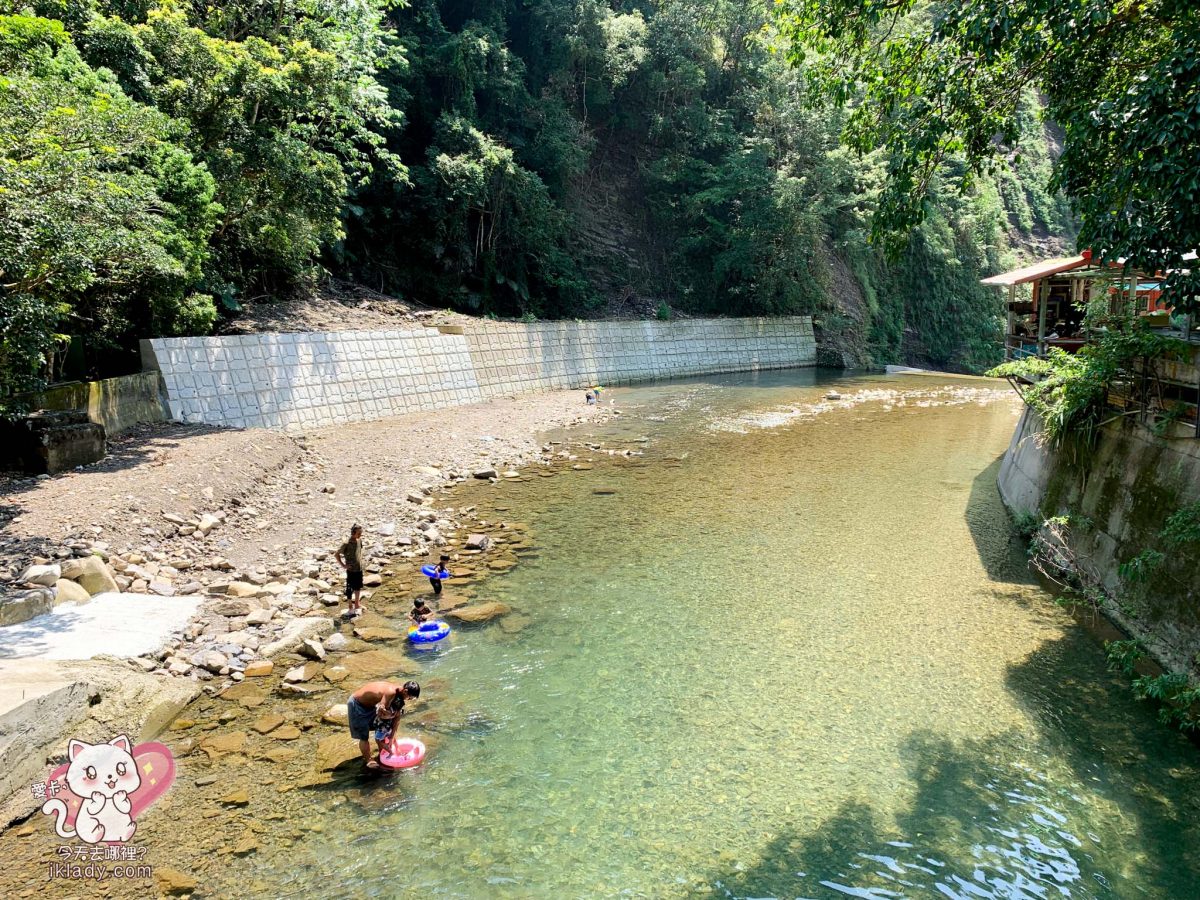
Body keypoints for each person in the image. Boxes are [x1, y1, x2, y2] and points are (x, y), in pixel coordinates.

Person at [348, 681, 421, 769]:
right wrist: (390, 714)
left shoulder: (399, 698)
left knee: (385, 728)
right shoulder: (391, 692)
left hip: (370, 706)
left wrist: (392, 736)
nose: (408, 700)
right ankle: (369, 760)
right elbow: (381, 713)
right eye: (410, 698)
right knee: (364, 735)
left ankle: (381, 751)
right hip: (357, 704)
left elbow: (397, 718)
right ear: (405, 691)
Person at [335, 524, 365, 618]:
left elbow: (359, 552)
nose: (360, 535)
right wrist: (344, 565)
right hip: (351, 570)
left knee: (358, 587)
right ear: (353, 533)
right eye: (359, 533)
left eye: (361, 533)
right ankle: (350, 606)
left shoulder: (359, 540)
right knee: (349, 588)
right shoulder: (346, 543)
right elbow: (336, 554)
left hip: (359, 569)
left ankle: (357, 604)